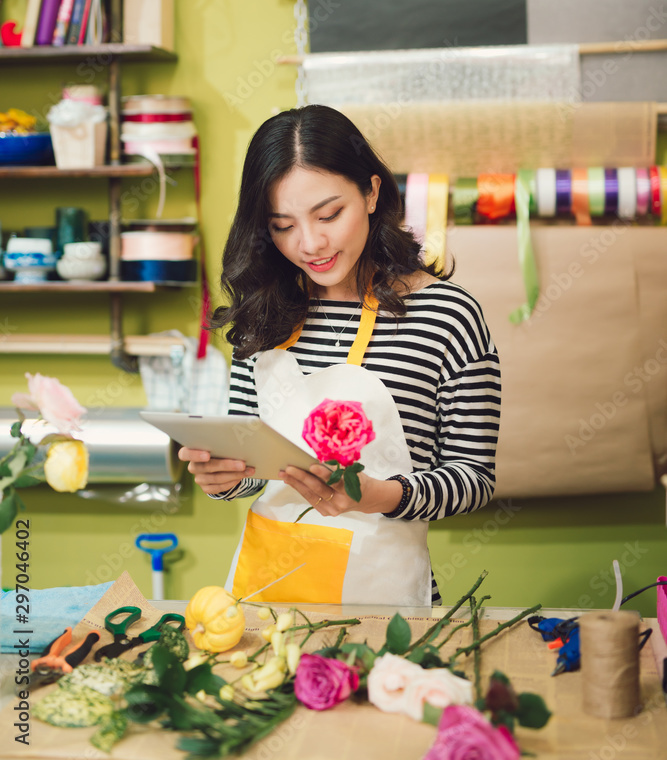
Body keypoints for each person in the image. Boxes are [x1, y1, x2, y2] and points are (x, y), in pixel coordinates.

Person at [179, 104, 500, 606]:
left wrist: (378, 495)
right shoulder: (263, 315)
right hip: (268, 599)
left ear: (372, 193)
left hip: (389, 606)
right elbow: (251, 472)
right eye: (283, 225)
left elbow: (473, 479)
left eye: (329, 215)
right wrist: (223, 478)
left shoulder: (446, 316)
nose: (311, 243)